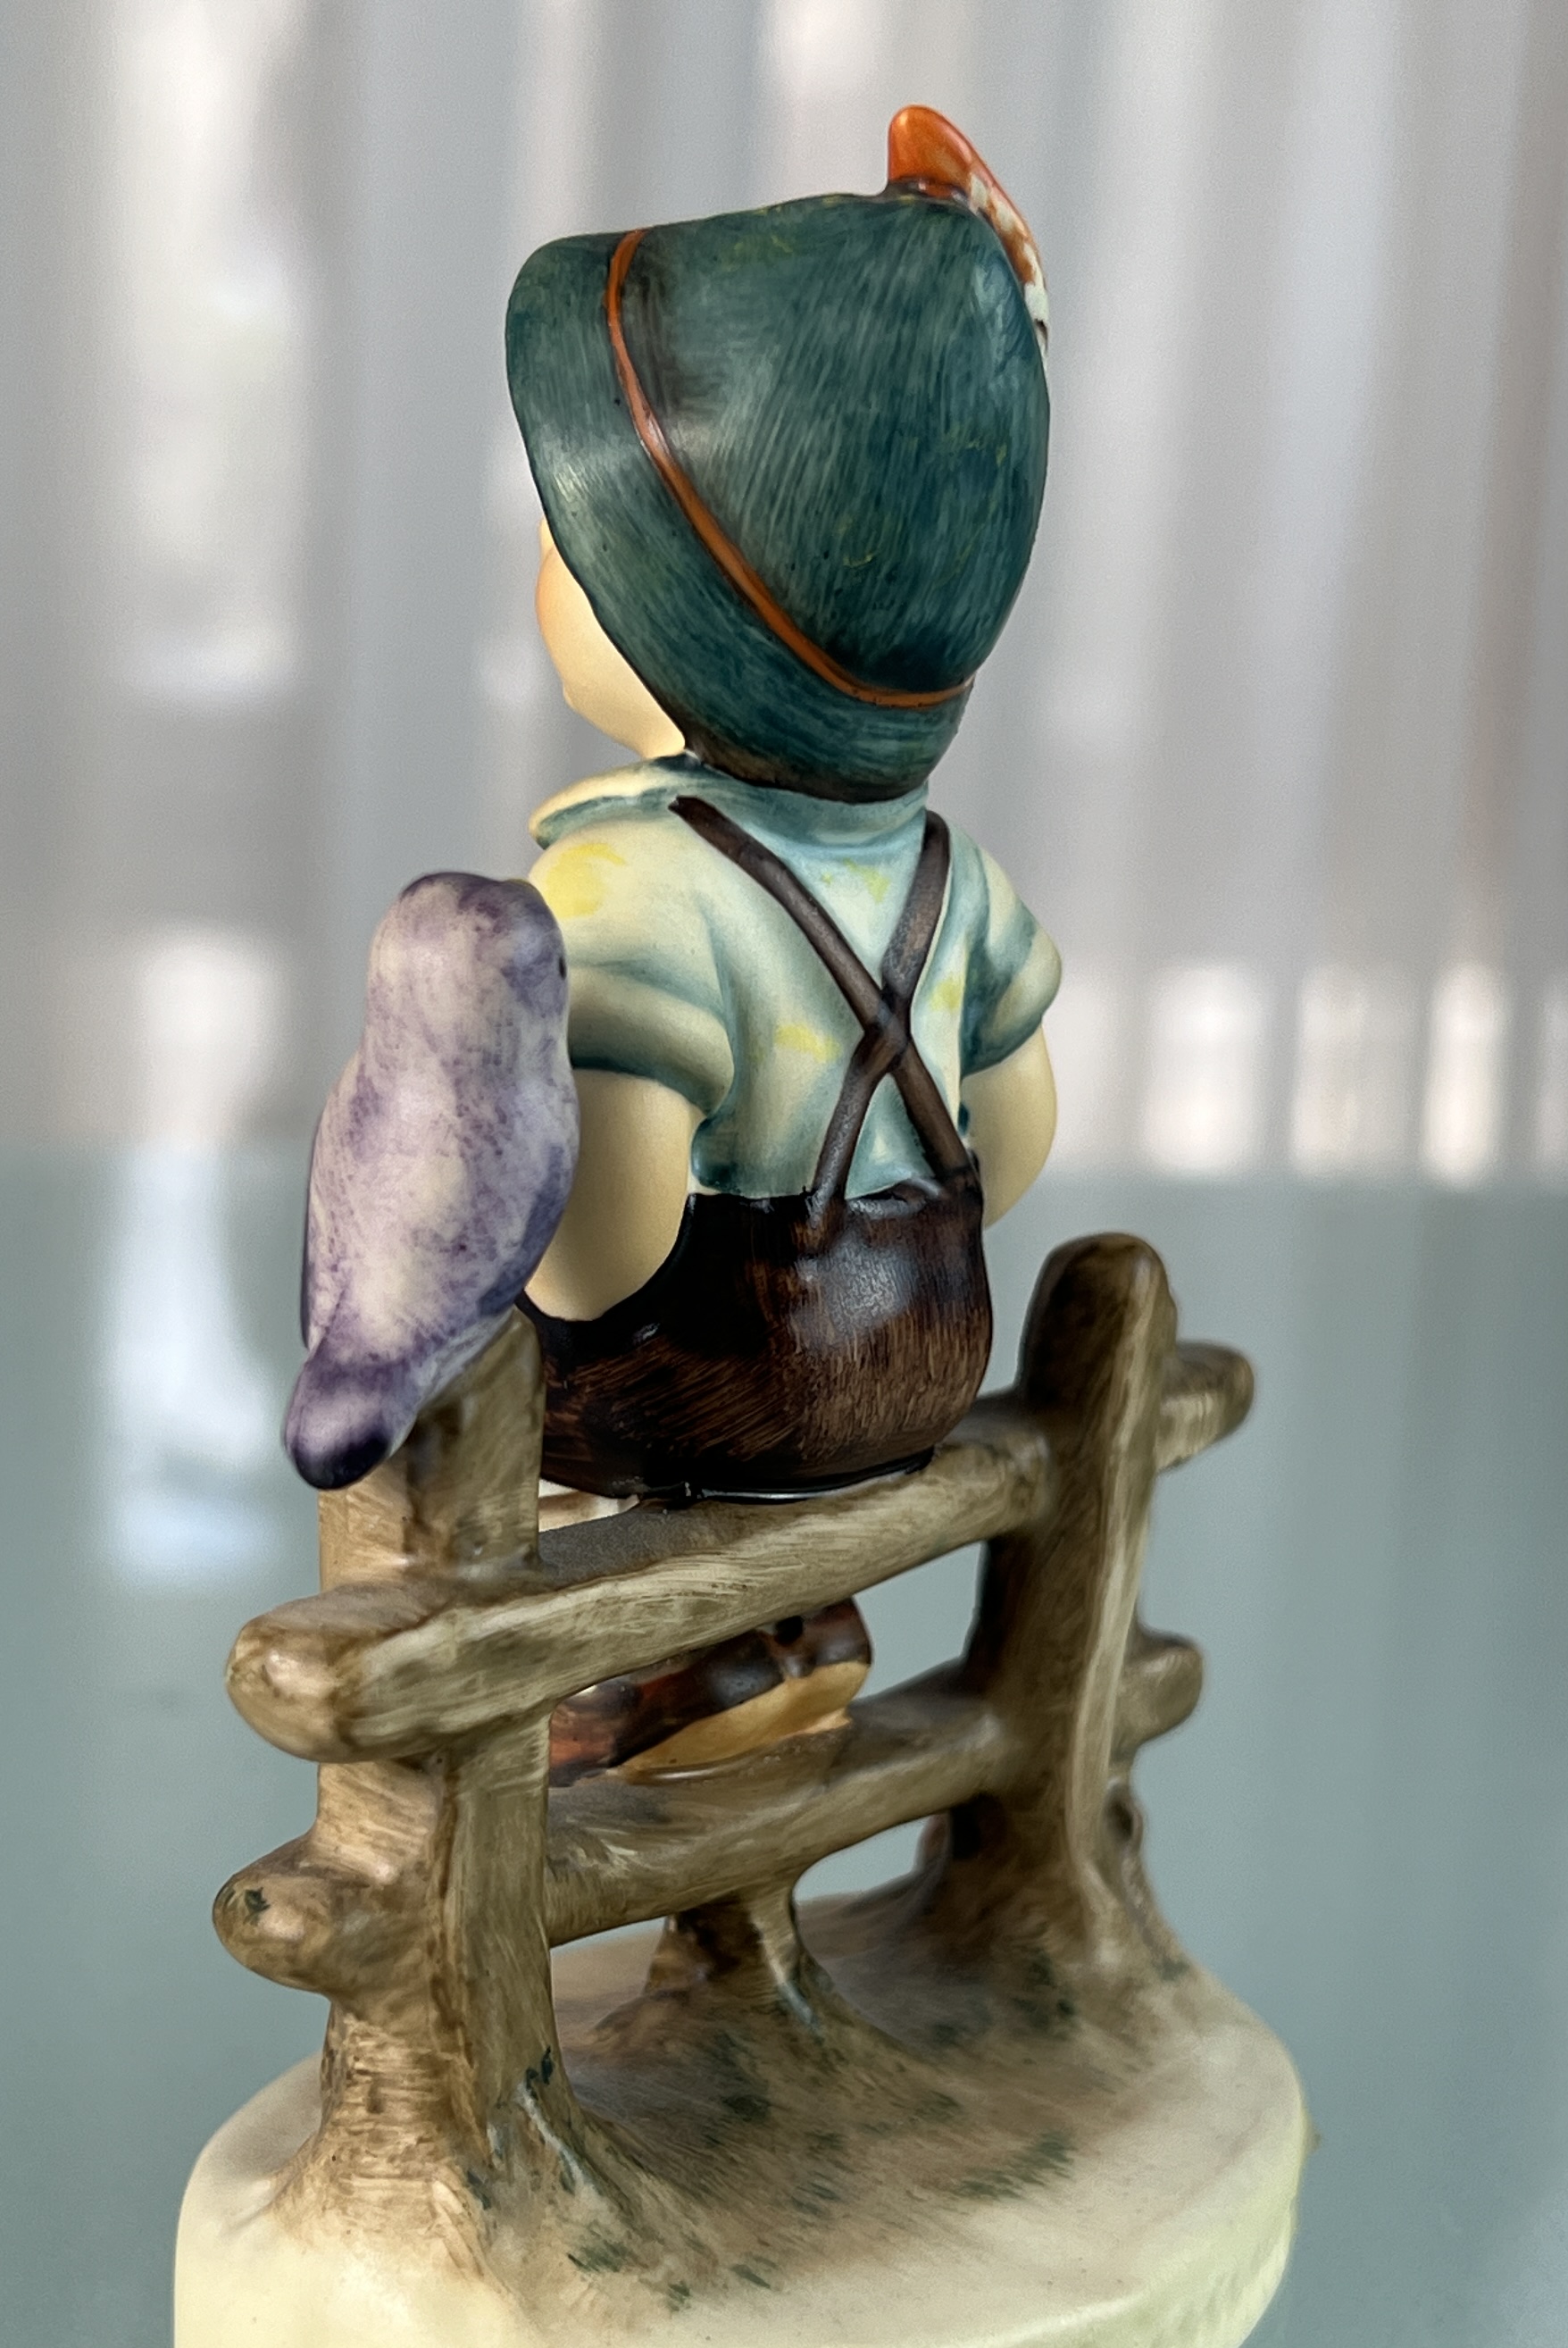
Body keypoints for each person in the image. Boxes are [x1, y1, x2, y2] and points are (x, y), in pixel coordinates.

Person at [505, 109, 1062, 1777]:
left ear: (687, 624)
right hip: (916, 1338)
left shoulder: (627, 891)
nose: (546, 566)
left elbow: (598, 1250)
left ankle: (650, 1664)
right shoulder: (954, 871)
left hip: (718, 1377)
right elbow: (1019, 1138)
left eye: (578, 543)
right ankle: (796, 1623)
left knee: (503, 1353)